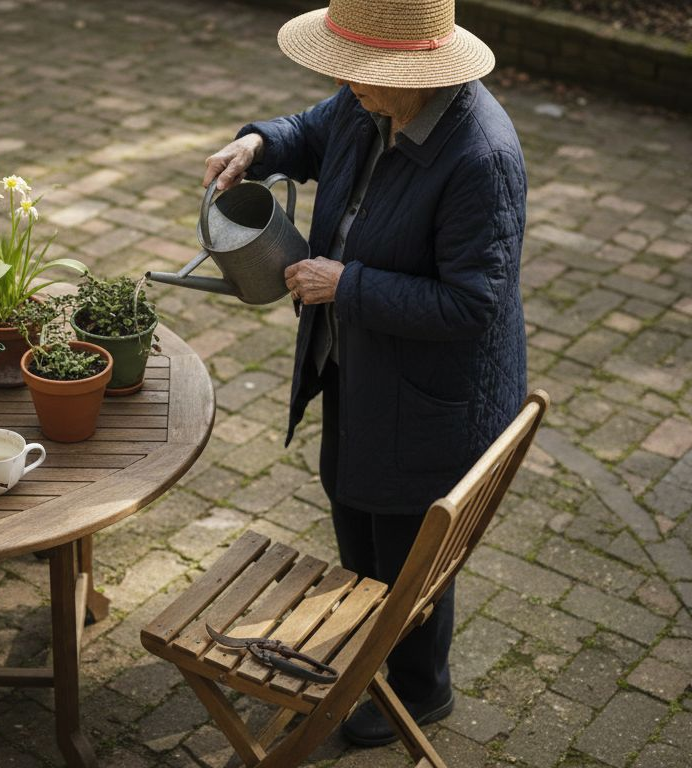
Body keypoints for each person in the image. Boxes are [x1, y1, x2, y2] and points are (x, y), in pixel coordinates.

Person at [201, 0, 528, 748]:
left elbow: (474, 302)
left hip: (427, 397)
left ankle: (419, 690)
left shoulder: (483, 157)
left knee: (406, 551)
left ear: (414, 72)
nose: (346, 86)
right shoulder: (368, 100)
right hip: (360, 364)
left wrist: (345, 286)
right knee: (353, 503)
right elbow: (311, 130)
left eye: (360, 75)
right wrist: (257, 143)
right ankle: (368, 656)